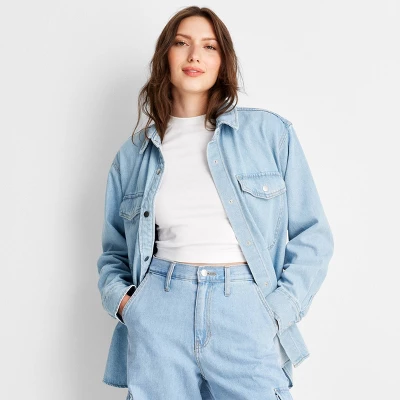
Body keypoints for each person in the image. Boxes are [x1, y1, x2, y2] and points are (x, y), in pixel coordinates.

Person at [97, 6, 334, 400]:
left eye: (209, 46)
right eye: (182, 43)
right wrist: (127, 306)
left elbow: (314, 235)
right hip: (160, 311)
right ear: (165, 56)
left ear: (223, 62)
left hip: (244, 310)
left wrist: (277, 311)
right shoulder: (133, 155)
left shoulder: (269, 134)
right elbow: (114, 252)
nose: (195, 55)